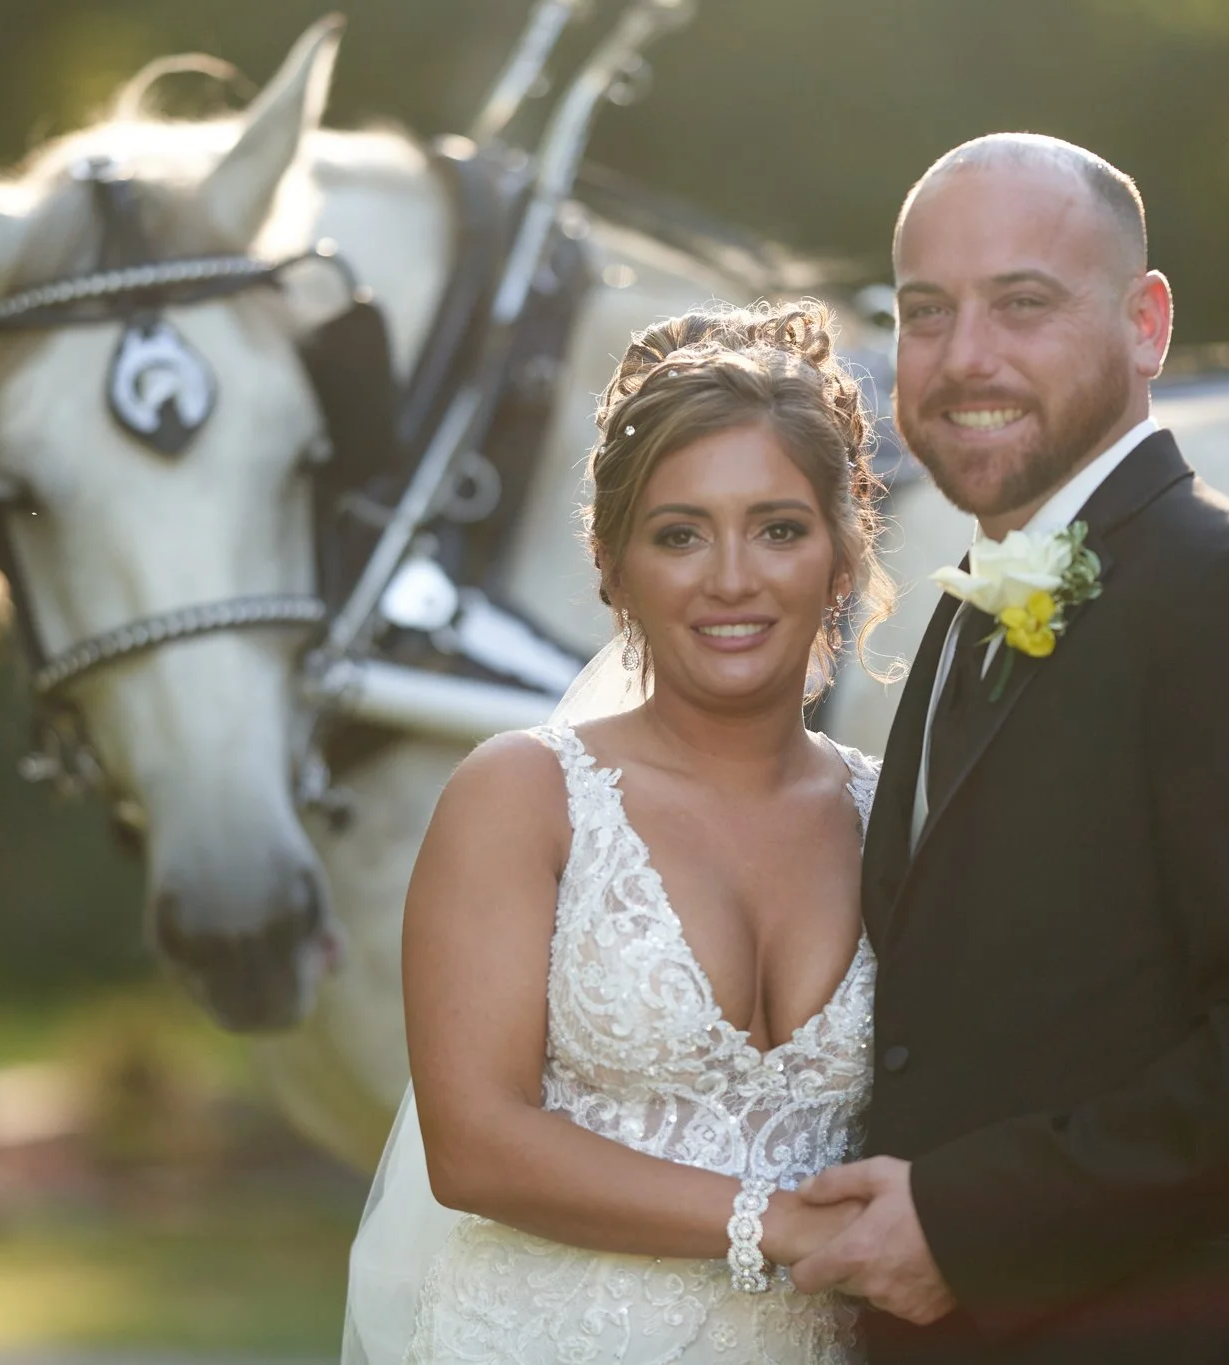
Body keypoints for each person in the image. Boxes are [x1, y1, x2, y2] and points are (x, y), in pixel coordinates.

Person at [784, 133, 1229, 1363]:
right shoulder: (965, 607)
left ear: (1144, 325)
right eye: (926, 312)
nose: (966, 357)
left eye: (1022, 304)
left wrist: (967, 1225)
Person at [341, 300, 897, 1364]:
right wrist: (770, 1222)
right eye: (678, 534)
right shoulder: (525, 796)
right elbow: (473, 1147)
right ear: (609, 563)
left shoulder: (897, 816)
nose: (730, 578)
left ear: (840, 551)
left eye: (777, 528)